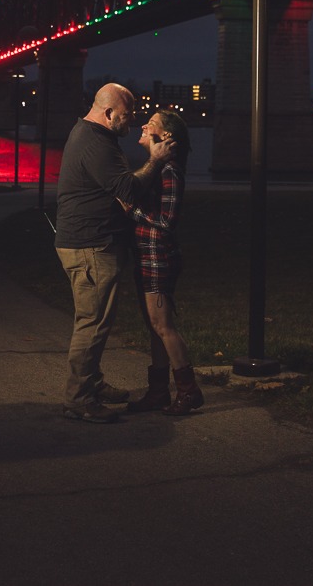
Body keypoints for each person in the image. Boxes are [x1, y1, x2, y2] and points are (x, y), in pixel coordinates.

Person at [54, 83, 173, 423]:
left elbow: (117, 186)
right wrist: (156, 159)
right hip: (90, 245)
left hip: (91, 242)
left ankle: (91, 383)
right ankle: (78, 400)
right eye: (126, 115)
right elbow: (127, 189)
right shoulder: (94, 142)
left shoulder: (96, 137)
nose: (132, 121)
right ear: (107, 113)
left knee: (96, 321)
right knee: (92, 323)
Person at [122, 109, 203, 415]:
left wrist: (131, 211)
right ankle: (158, 393)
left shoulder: (169, 170)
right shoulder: (157, 166)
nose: (143, 125)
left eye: (151, 124)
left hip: (158, 256)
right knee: (154, 326)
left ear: (165, 136)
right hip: (146, 253)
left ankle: (188, 391)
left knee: (163, 325)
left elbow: (167, 220)